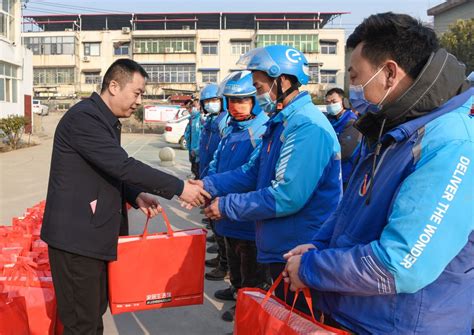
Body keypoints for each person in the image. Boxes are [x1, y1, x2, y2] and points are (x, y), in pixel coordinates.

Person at [284, 12, 473, 334]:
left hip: (403, 323)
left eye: (356, 77)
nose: (352, 88)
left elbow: (401, 266)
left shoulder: (451, 142)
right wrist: (319, 246)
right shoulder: (396, 128)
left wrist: (312, 269)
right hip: (362, 312)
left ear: (389, 73)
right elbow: (354, 207)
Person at [41, 59, 210, 335]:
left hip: (92, 238)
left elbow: (105, 169)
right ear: (114, 86)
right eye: (137, 93)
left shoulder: (104, 119)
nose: (139, 101)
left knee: (93, 315)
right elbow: (122, 165)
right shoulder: (84, 118)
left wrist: (135, 194)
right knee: (81, 325)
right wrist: (179, 187)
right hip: (76, 242)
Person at [195, 45, 342, 313]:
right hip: (280, 246)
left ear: (282, 80)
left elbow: (287, 196)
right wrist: (207, 185)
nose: (259, 94)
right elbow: (253, 172)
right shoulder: (281, 123)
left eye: (260, 87)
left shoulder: (306, 126)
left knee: (296, 321)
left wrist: (227, 206)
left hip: (297, 250)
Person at [206, 70, 271, 322]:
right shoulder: (231, 129)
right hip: (225, 212)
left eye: (242, 100)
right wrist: (208, 186)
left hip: (246, 214)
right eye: (231, 100)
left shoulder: (263, 129)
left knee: (251, 268)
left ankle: (247, 306)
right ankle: (236, 290)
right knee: (233, 259)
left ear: (255, 100)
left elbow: (251, 174)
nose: (236, 106)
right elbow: (216, 162)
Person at [198, 82, 230, 281]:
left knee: (222, 224)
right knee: (215, 222)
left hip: (219, 180)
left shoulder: (224, 122)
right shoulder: (210, 121)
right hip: (208, 175)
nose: (211, 104)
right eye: (207, 101)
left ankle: (224, 264)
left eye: (214, 100)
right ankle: (221, 257)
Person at [324, 88, 361, 188]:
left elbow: (344, 152)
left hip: (345, 176)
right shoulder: (328, 120)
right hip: (330, 173)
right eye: (328, 102)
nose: (330, 105)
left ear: (344, 102)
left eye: (334, 102)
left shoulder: (352, 122)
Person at [183, 98, 202, 179]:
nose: (190, 109)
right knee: (193, 166)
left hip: (198, 149)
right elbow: (189, 133)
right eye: (188, 108)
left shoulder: (201, 119)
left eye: (193, 106)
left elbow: (202, 136)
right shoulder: (191, 119)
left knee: (198, 169)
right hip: (192, 148)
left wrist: (197, 149)